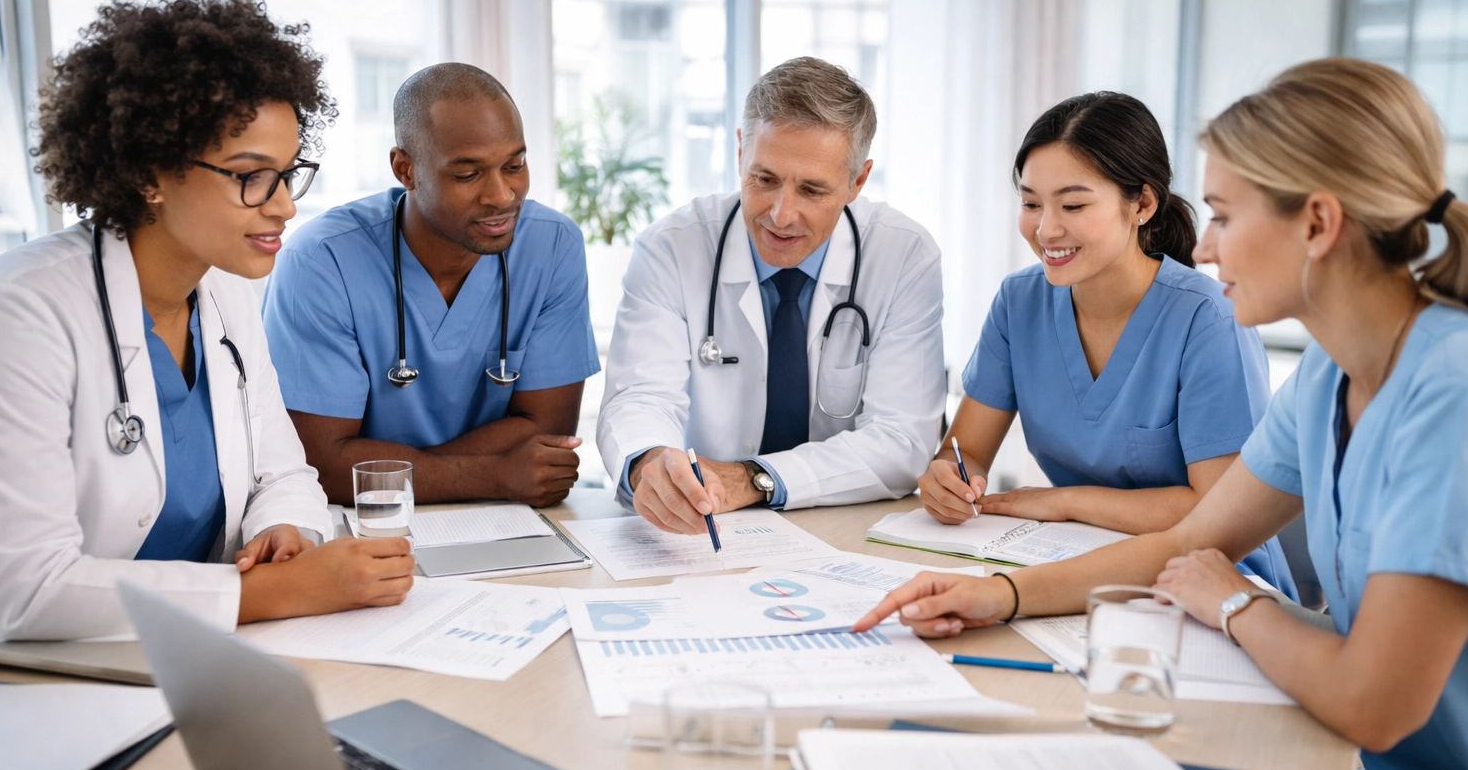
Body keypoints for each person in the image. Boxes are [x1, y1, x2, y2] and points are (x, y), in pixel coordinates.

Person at [856, 58, 1468, 770]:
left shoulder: (1462, 393)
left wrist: (1238, 604)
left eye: (1227, 214)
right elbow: (1191, 541)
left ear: (1317, 223)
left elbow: (1372, 701)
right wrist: (1003, 597)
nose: (1203, 246)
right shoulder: (1330, 371)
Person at [0, 0, 415, 641]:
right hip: (60, 679)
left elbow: (285, 473)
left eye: (287, 173)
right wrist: (265, 592)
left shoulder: (225, 290)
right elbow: (25, 589)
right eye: (249, 176)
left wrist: (284, 533)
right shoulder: (23, 311)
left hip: (208, 656)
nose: (283, 208)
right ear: (151, 172)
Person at [921, 92, 1293, 596]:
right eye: (1031, 203)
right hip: (1080, 560)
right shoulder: (1019, 302)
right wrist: (947, 479)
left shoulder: (1208, 317)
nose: (1046, 228)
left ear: (1141, 203)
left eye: (1073, 204)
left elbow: (1217, 509)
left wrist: (1065, 501)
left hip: (1217, 580)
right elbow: (965, 453)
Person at [598, 57, 944, 533]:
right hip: (703, 527)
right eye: (764, 179)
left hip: (842, 528)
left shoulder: (904, 255)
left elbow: (902, 439)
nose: (781, 215)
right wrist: (651, 463)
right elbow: (638, 397)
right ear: (741, 151)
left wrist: (753, 479)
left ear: (857, 182)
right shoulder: (672, 247)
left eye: (812, 190)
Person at [262, 63, 599, 507]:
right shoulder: (321, 261)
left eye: (514, 165)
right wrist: (494, 475)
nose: (501, 195)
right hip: (364, 530)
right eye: (467, 174)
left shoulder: (552, 245)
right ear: (406, 169)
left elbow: (548, 437)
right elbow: (320, 466)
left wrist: (380, 467)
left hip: (508, 524)